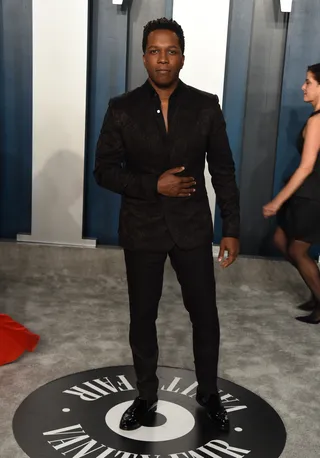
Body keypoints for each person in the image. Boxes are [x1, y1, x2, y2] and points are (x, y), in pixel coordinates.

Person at [94, 18, 240, 431]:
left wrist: (232, 226)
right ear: (144, 57)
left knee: (204, 315)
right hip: (142, 228)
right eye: (155, 51)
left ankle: (209, 395)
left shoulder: (206, 104)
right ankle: (145, 396)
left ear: (181, 56)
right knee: (143, 316)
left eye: (171, 51)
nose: (163, 59)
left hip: (192, 228)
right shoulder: (121, 108)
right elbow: (103, 171)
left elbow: (223, 170)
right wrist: (152, 185)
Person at [263, 63, 320, 325]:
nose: (303, 87)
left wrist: (277, 201)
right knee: (280, 238)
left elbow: (306, 167)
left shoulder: (318, 121)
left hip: (311, 196)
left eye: (308, 82)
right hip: (305, 195)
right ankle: (316, 292)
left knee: (298, 250)